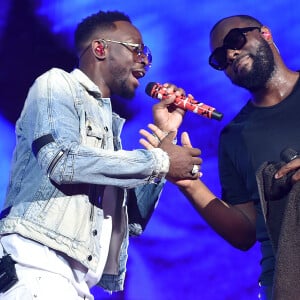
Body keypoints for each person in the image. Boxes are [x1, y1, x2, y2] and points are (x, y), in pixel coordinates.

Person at [0, 10, 202, 299]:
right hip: (36, 273)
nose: (144, 60)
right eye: (136, 50)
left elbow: (132, 219)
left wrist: (164, 141)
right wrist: (161, 161)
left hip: (71, 284)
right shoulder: (54, 84)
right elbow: (61, 161)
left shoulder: (105, 140)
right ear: (99, 49)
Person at [140, 14, 300, 300]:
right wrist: (187, 181)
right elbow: (243, 234)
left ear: (265, 34)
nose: (230, 54)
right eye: (219, 58)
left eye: (235, 40)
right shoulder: (235, 136)